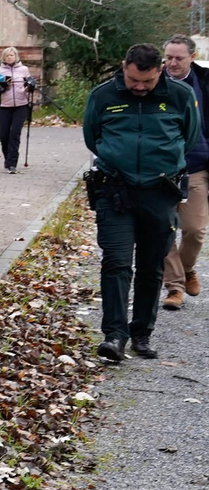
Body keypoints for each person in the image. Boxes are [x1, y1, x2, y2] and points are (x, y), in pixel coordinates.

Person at [84, 44, 200, 361]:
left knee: (151, 267)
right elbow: (91, 136)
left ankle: (141, 333)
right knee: (117, 263)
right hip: (115, 190)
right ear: (124, 67)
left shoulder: (178, 95)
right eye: (134, 79)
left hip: (159, 192)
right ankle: (115, 336)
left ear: (159, 70)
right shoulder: (103, 95)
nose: (139, 87)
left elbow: (189, 135)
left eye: (147, 82)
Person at [162, 36, 209, 311]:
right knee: (162, 230)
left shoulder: (204, 82)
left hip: (197, 167)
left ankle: (187, 268)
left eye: (178, 58)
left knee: (194, 229)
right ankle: (175, 287)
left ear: (192, 57)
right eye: (168, 57)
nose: (172, 63)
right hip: (162, 171)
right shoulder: (154, 82)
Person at [0, 48, 35, 173]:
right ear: (4, 58)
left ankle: (12, 164)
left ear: (16, 57)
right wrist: (0, 87)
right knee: (4, 135)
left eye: (12, 55)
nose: (10, 57)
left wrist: (30, 86)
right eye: (7, 56)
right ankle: (7, 159)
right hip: (5, 106)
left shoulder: (23, 70)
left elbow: (29, 86)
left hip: (21, 105)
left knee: (14, 133)